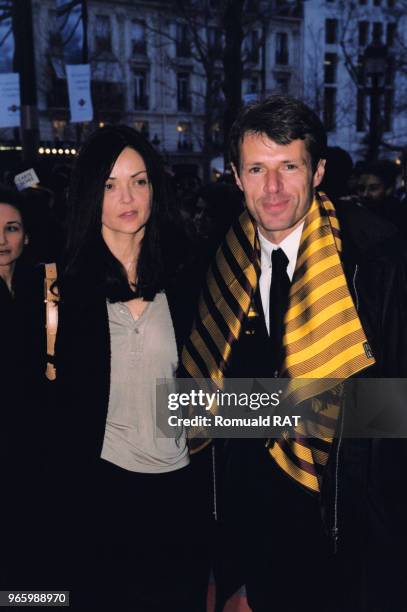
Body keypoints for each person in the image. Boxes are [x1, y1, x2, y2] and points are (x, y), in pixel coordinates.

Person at [181, 95, 407, 612]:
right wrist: (222, 566)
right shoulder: (210, 268)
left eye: (289, 166)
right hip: (246, 542)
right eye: (258, 169)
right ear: (235, 176)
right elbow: (193, 413)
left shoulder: (378, 263)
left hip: (351, 550)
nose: (275, 188)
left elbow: (397, 412)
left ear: (319, 170)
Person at [54, 125, 211, 611]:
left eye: (139, 181)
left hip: (181, 491)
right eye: (110, 184)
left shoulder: (188, 275)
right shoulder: (62, 286)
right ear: (89, 193)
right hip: (103, 490)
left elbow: (213, 385)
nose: (127, 196)